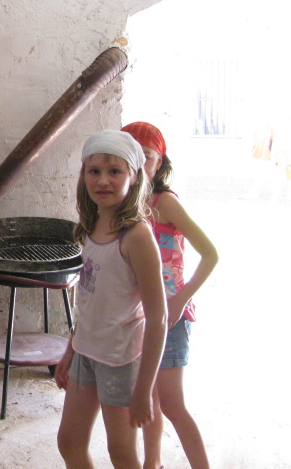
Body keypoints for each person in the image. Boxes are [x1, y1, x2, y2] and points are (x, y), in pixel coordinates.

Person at [56, 129, 167, 469]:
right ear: (83, 176)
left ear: (133, 177)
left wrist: (144, 389)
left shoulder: (137, 236)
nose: (103, 180)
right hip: (87, 351)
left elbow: (158, 318)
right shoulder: (90, 227)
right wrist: (71, 350)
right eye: (94, 171)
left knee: (121, 453)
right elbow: (89, 301)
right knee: (69, 442)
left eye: (114, 171)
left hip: (119, 359)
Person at [122, 122, 218, 469]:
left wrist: (180, 300)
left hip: (170, 318)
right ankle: (153, 464)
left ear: (159, 162)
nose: (138, 163)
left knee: (173, 404)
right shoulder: (121, 204)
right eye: (130, 156)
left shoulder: (165, 203)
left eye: (146, 156)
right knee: (148, 397)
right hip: (139, 317)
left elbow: (210, 255)